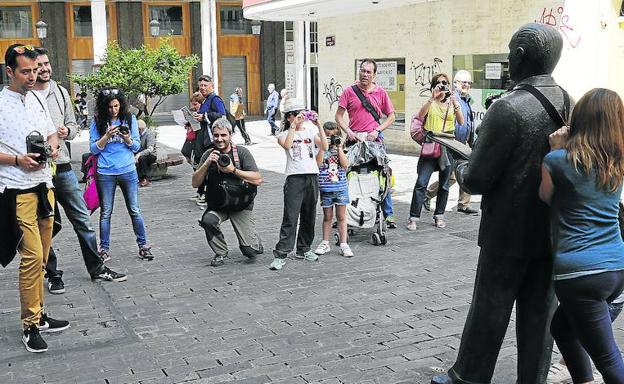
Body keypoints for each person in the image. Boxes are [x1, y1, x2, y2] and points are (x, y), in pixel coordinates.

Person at [432, 23, 569, 384]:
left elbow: (476, 178)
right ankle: (533, 377)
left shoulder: (506, 107)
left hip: (506, 231)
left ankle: (469, 376)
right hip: (552, 229)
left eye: (510, 53)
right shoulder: (570, 101)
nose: (509, 59)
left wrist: (461, 163)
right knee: (541, 313)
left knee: (490, 307)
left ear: (520, 56)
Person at [540, 88, 624, 383]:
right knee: (563, 329)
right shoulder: (617, 162)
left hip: (580, 273)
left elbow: (546, 196)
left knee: (607, 357)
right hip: (616, 268)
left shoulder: (559, 161)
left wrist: (553, 150)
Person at [31, 47, 126, 295]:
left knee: (83, 219)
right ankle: (52, 274)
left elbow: (74, 126)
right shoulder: (26, 95)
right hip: (38, 171)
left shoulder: (60, 92)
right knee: (47, 224)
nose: (44, 68)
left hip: (62, 167)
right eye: (39, 65)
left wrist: (68, 132)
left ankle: (97, 268)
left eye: (47, 63)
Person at [0, 43, 70, 353]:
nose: (33, 76)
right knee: (30, 258)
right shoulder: (0, 103)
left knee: (41, 257)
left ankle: (39, 316)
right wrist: (16, 161)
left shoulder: (38, 99)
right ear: (9, 72)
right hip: (17, 190)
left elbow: (50, 132)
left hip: (45, 185)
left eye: (35, 70)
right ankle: (30, 325)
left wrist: (53, 147)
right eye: (25, 71)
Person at [89, 88, 154, 262]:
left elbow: (136, 147)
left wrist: (127, 138)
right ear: (104, 107)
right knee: (106, 212)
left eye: (116, 106)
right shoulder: (97, 121)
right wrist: (106, 136)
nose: (114, 110)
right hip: (106, 171)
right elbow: (93, 148)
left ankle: (143, 245)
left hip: (128, 170)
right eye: (110, 107)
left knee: (134, 209)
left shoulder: (129, 118)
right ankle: (104, 249)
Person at [191, 117, 263, 267]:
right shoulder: (208, 155)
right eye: (216, 135)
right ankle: (220, 252)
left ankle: (254, 242)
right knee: (208, 221)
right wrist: (206, 164)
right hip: (218, 204)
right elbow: (195, 183)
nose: (219, 139)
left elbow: (257, 179)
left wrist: (233, 170)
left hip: (241, 204)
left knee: (250, 252)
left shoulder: (242, 153)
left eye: (223, 135)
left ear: (230, 135)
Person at [335, 58, 398, 229]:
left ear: (374, 75)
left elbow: (392, 116)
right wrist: (348, 132)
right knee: (348, 177)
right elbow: (338, 116)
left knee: (382, 175)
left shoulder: (381, 93)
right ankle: (343, 214)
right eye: (363, 71)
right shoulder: (349, 92)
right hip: (354, 141)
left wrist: (377, 130)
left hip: (374, 140)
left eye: (369, 72)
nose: (365, 74)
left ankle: (388, 213)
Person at [269, 99, 328, 271]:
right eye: (296, 114)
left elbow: (324, 145)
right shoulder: (283, 134)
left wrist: (319, 125)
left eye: (302, 113)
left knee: (309, 215)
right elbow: (287, 145)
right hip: (294, 177)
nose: (300, 116)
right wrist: (293, 126)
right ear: (289, 117)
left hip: (311, 176)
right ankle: (281, 253)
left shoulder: (311, 129)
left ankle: (304, 248)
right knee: (291, 216)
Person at [407, 73, 465, 231]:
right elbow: (420, 116)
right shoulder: (430, 103)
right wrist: (432, 98)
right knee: (421, 183)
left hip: (447, 147)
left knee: (445, 185)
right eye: (439, 83)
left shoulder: (452, 103)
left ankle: (439, 215)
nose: (442, 85)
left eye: (445, 82)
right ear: (433, 86)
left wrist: (454, 101)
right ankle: (413, 218)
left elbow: (461, 122)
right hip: (431, 145)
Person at [423, 70, 478, 216]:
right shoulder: (450, 98)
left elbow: (467, 123)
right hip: (452, 142)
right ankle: (427, 194)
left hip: (463, 143)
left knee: (468, 171)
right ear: (455, 83)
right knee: (452, 176)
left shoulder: (466, 100)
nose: (467, 85)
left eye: (469, 82)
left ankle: (464, 204)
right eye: (463, 82)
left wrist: (470, 140)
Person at [313, 122, 353, 258]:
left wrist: (339, 147)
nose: (331, 139)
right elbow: (317, 164)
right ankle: (325, 242)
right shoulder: (320, 149)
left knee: (341, 217)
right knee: (327, 217)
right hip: (326, 188)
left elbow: (346, 164)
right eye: (327, 136)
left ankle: (344, 244)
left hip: (340, 188)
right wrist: (323, 147)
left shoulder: (341, 148)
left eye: (334, 136)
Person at [193, 75, 226, 206]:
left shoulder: (215, 99)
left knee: (209, 167)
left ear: (211, 85)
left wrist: (205, 116)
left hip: (212, 141)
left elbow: (222, 115)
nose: (202, 88)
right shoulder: (206, 100)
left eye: (205, 85)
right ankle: (204, 192)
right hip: (203, 139)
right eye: (200, 85)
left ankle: (207, 193)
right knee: (203, 165)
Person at [135, 119, 156, 187]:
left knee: (142, 158)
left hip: (151, 155)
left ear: (140, 129)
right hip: (140, 154)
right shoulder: (138, 135)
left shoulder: (149, 134)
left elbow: (150, 149)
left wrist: (139, 154)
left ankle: (145, 178)